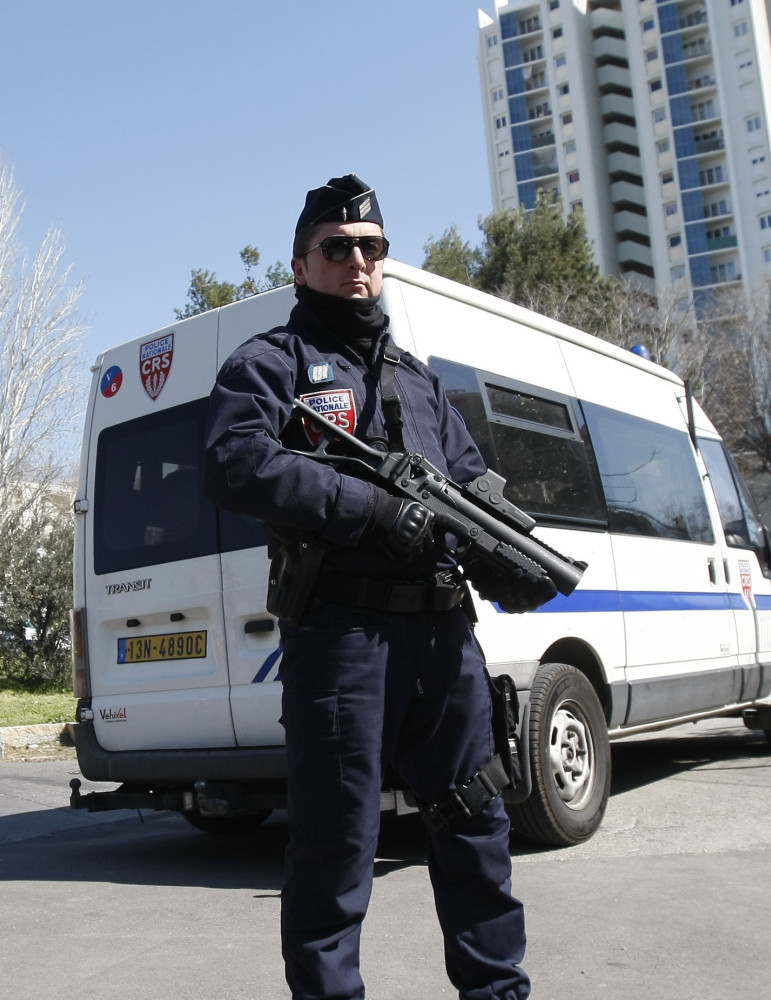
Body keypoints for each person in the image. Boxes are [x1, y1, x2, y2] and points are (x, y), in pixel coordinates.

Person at [204, 175, 548, 1000]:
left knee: (477, 827)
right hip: (342, 640)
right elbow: (235, 461)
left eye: (373, 249)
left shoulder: (419, 381)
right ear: (301, 263)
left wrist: (514, 555)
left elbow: (471, 486)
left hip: (444, 641)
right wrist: (365, 508)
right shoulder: (270, 364)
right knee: (335, 848)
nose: (358, 262)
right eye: (337, 248)